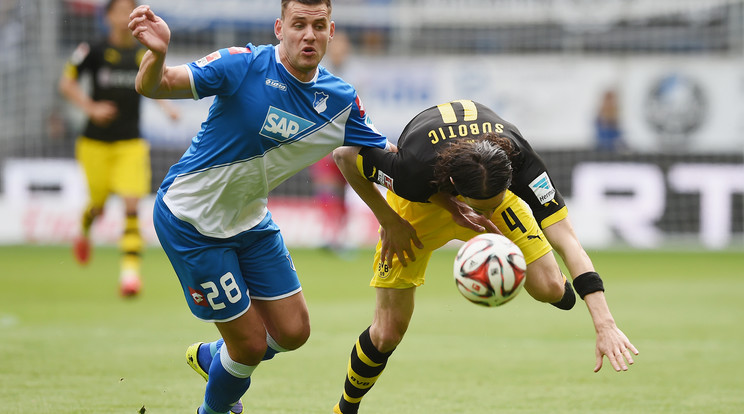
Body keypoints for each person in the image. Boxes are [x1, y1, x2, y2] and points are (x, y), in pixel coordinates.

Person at [128, 2, 401, 413]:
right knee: (251, 344)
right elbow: (156, 85)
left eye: (318, 25)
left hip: (250, 220)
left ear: (331, 32)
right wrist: (159, 53)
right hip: (190, 221)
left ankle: (216, 359)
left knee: (294, 332)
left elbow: (390, 158)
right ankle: (215, 407)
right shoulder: (242, 65)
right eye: (299, 25)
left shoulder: (340, 101)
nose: (308, 35)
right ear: (279, 28)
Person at [331, 99, 639, 414]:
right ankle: (345, 408)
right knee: (386, 333)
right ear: (453, 186)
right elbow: (344, 157)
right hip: (417, 208)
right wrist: (390, 221)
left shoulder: (521, 162)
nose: (489, 215)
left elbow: (568, 241)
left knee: (548, 287)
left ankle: (547, 274)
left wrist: (605, 324)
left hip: (477, 186)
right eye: (483, 209)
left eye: (497, 202)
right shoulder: (411, 172)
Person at [58, 0, 179, 297]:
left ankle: (130, 275)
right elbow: (66, 83)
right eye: (120, 10)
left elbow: (154, 81)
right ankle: (85, 228)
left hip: (130, 143)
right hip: (94, 143)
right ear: (108, 16)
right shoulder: (92, 50)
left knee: (131, 205)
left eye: (130, 9)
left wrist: (166, 107)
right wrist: (91, 107)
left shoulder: (143, 52)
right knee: (98, 206)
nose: (125, 15)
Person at [310, 31, 353, 253]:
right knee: (327, 191)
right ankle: (328, 235)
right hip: (323, 145)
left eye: (342, 48)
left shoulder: (356, 77)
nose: (338, 52)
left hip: (347, 144)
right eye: (335, 47)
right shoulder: (318, 74)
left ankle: (341, 238)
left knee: (344, 193)